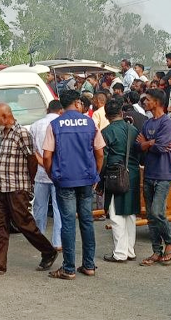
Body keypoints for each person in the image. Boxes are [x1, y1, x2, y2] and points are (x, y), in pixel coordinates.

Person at [0, 104, 57, 277]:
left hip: (16, 188)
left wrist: (29, 183)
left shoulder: (21, 133)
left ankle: (48, 251)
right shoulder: (3, 134)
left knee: (24, 223)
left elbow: (32, 159)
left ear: (6, 116)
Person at [40, 90, 103, 280]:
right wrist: (96, 174)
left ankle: (68, 268)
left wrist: (52, 174)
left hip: (64, 179)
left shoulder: (55, 125)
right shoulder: (90, 123)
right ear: (77, 103)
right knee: (86, 221)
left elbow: (47, 156)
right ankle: (89, 265)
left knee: (67, 223)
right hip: (86, 178)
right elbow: (100, 153)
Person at [138, 88, 171, 266]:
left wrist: (147, 143)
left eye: (147, 99)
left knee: (157, 211)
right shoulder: (147, 123)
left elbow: (162, 147)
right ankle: (156, 251)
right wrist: (150, 143)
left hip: (163, 174)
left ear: (157, 102)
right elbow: (138, 145)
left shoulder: (167, 122)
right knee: (151, 216)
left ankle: (170, 243)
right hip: (149, 173)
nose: (144, 102)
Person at [101, 99, 140, 263]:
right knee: (130, 214)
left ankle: (120, 253)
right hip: (133, 173)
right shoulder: (133, 130)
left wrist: (99, 181)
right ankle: (130, 250)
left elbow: (103, 157)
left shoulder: (106, 131)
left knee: (116, 214)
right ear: (122, 113)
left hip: (114, 175)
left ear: (106, 115)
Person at [29, 100, 63, 252]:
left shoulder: (35, 125)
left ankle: (40, 240)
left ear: (47, 109)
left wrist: (43, 163)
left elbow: (33, 151)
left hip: (41, 173)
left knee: (39, 209)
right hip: (59, 172)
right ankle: (58, 242)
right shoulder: (61, 123)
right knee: (58, 209)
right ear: (60, 111)